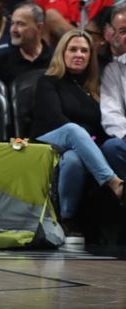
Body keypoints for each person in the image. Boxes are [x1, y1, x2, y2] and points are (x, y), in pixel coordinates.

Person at [31, 29, 126, 239]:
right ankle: (115, 184)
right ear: (62, 53)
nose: (79, 54)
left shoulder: (93, 88)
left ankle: (67, 219)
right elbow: (55, 119)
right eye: (73, 49)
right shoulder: (48, 81)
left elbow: (101, 126)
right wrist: (85, 140)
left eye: (84, 50)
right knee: (74, 130)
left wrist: (87, 144)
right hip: (47, 139)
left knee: (74, 159)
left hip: (78, 147)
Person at [0, 1, 53, 84]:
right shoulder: (0, 64)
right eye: (12, 23)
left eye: (20, 24)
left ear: (39, 27)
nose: (13, 30)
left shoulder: (58, 60)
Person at [100, 3, 126, 181]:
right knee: (112, 147)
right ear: (113, 35)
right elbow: (111, 114)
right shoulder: (113, 70)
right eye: (123, 31)